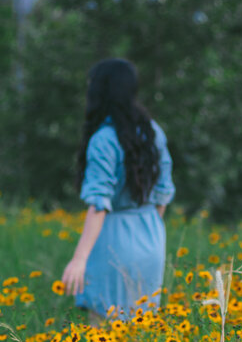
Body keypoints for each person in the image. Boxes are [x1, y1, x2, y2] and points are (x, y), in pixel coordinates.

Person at [61, 58, 175, 321]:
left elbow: (99, 204)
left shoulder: (103, 139)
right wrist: (145, 226)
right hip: (151, 239)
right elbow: (163, 193)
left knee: (103, 337)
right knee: (140, 336)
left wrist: (79, 259)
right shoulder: (153, 131)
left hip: (112, 240)